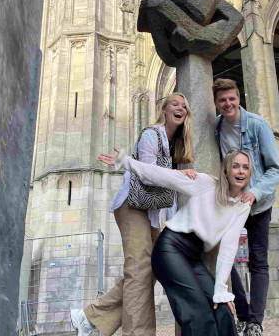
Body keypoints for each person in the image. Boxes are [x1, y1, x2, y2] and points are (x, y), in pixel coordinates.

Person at [71, 93, 195, 336]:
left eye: (184, 105)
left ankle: (89, 317)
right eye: (174, 104)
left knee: (153, 267)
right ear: (164, 109)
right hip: (132, 205)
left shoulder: (178, 146)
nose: (180, 108)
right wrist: (179, 176)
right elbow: (147, 174)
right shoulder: (152, 134)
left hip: (151, 213)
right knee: (139, 269)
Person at [99, 148, 254, 336]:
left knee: (222, 310)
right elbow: (164, 176)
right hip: (169, 250)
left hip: (193, 258)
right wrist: (126, 162)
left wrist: (221, 290)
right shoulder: (207, 184)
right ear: (226, 170)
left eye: (245, 167)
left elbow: (229, 247)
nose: (241, 171)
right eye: (235, 166)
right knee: (198, 314)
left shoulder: (242, 205)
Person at [213, 78, 279, 336]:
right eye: (222, 100)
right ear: (216, 103)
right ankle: (242, 315)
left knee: (259, 261)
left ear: (238, 97)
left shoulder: (257, 124)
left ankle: (255, 322)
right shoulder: (216, 127)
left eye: (231, 98)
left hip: (259, 204)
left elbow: (276, 168)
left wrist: (255, 192)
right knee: (222, 255)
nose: (228, 103)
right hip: (232, 203)